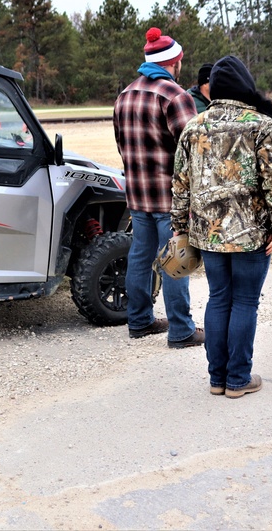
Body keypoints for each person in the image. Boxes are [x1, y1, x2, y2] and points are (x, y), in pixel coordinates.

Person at [171, 56, 272, 398]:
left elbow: (180, 184)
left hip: (208, 232)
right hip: (251, 233)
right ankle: (237, 379)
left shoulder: (194, 126)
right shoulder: (261, 125)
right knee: (244, 301)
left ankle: (218, 378)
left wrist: (178, 227)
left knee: (218, 298)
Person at [113, 27, 203, 348]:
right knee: (176, 260)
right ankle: (181, 330)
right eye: (180, 60)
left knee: (140, 257)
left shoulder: (124, 96)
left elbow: (121, 145)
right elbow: (194, 151)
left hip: (137, 195)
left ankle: (138, 321)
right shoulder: (176, 96)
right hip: (170, 198)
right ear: (173, 61)